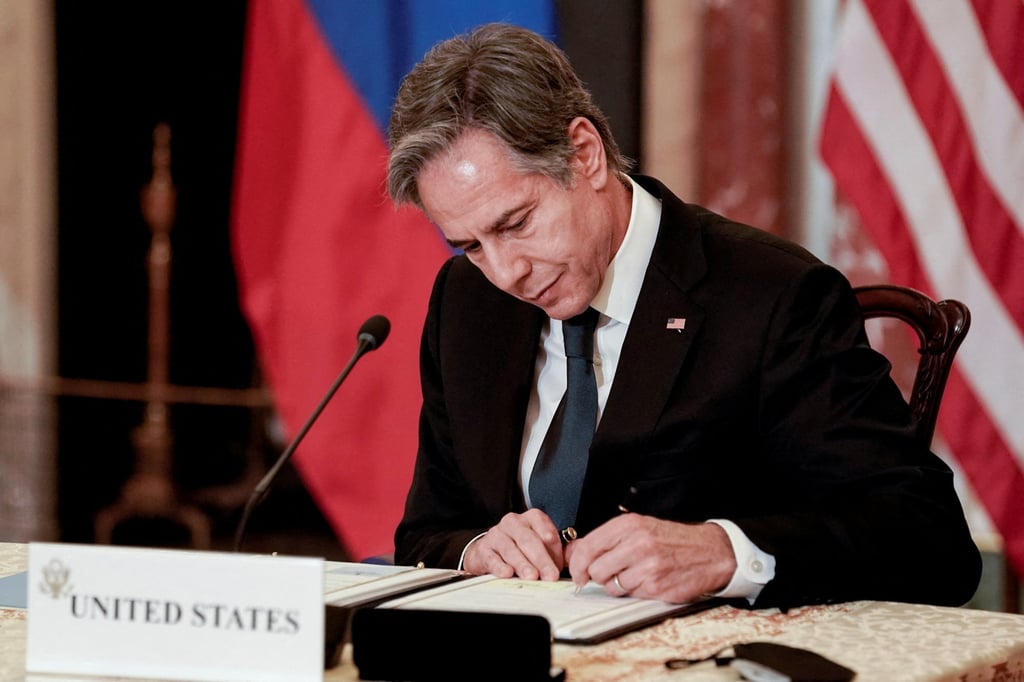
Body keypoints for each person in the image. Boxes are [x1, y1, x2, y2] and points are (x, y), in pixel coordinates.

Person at [386, 22, 981, 609]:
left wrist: (726, 552)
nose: (505, 271)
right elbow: (426, 533)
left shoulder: (771, 296)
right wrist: (477, 550)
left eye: (515, 224)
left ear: (585, 155)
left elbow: (928, 539)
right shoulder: (466, 302)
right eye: (470, 245)